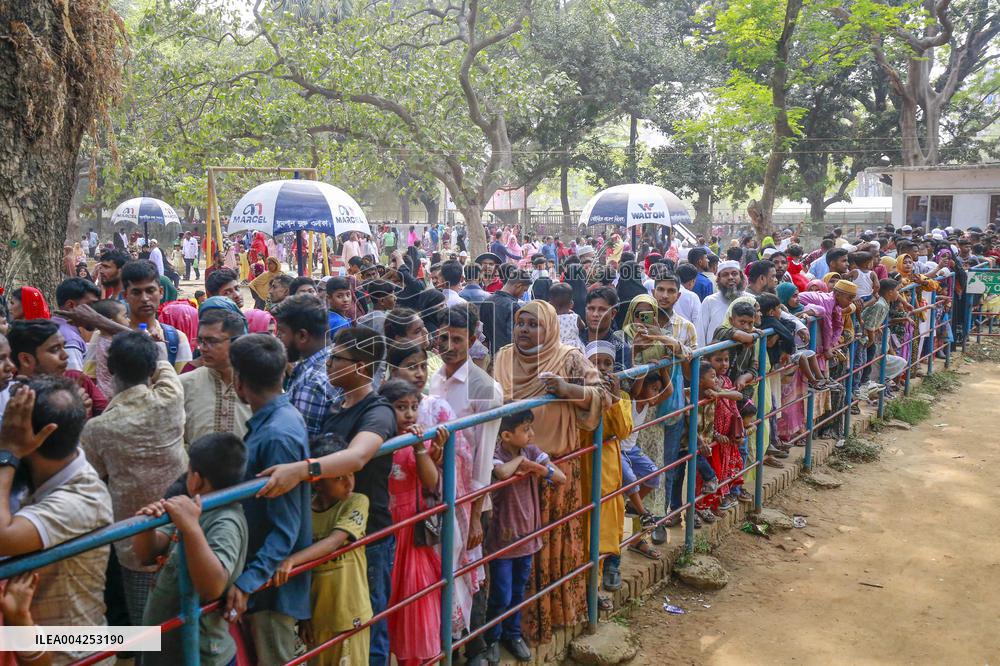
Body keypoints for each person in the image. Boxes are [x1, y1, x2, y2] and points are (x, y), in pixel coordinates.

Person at [256, 326, 398, 666]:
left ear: (361, 366)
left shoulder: (377, 411)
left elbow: (358, 457)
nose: (329, 365)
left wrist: (302, 471)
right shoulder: (338, 403)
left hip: (367, 534)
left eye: (337, 359)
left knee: (369, 624)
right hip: (329, 527)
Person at [493, 300, 607, 646]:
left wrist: (567, 389)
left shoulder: (568, 357)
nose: (524, 330)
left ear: (551, 328)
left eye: (533, 325)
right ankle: (510, 628)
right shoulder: (502, 357)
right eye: (520, 323)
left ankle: (551, 617)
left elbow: (606, 393)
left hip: (554, 468)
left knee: (550, 546)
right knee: (511, 553)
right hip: (510, 474)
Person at [0, 378, 113, 665]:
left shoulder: (82, 499)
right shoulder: (54, 468)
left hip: (73, 654)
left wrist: (8, 451)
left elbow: (2, 535)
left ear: (40, 436)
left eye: (12, 425)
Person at [80, 331, 187, 624]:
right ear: (151, 370)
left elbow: (91, 474)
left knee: (146, 625)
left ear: (110, 369)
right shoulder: (171, 396)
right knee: (181, 616)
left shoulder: (98, 429)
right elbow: (164, 363)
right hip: (182, 528)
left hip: (132, 544)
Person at [223, 334, 312, 666]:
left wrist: (248, 582)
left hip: (271, 588)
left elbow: (285, 527)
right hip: (266, 579)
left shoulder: (277, 435)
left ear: (239, 381)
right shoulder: (280, 419)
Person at [134, 433, 249, 666]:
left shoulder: (225, 521)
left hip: (200, 656)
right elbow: (147, 555)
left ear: (196, 479)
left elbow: (212, 587)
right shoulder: (193, 507)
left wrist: (192, 530)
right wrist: (146, 526)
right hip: (168, 651)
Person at [428, 305, 502, 663]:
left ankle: (476, 647)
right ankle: (449, 645)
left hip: (472, 501)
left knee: (471, 571)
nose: (450, 345)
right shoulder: (433, 379)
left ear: (473, 339)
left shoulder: (484, 387)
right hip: (437, 495)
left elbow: (484, 461)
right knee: (443, 573)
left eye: (458, 338)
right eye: (444, 338)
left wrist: (474, 515)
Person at [270, 433, 372, 666]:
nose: (348, 482)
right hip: (317, 617)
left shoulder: (357, 501)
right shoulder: (305, 512)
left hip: (351, 612)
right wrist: (305, 617)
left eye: (351, 473)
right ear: (318, 479)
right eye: (338, 477)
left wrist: (292, 560)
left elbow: (335, 541)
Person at [485, 409, 565, 664]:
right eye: (526, 429)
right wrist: (520, 463)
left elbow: (560, 477)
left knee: (519, 590)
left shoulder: (532, 451)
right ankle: (492, 637)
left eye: (531, 428)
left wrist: (539, 469)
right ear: (506, 435)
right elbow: (502, 473)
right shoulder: (497, 454)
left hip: (528, 535)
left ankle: (512, 633)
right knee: (501, 594)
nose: (532, 434)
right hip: (503, 537)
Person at [377, 379, 448, 666]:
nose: (409, 414)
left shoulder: (421, 439)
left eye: (413, 407)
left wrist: (420, 447)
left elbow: (431, 482)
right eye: (400, 407)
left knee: (414, 603)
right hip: (385, 528)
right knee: (386, 600)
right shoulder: (375, 438)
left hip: (412, 534)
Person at [180, 308, 253, 445]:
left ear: (236, 342)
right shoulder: (184, 384)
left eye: (211, 341)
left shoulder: (260, 387)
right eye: (200, 341)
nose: (202, 348)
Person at [273, 294, 341, 438]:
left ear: (302, 336)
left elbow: (301, 444)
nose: (278, 339)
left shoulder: (311, 385)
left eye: (282, 333)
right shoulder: (337, 359)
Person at [8, 319, 108, 416]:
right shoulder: (11, 398)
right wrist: (75, 413)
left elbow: (107, 416)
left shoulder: (75, 377)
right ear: (26, 359)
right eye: (54, 349)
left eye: (63, 346)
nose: (65, 355)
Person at [123, 260, 194, 370]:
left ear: (161, 292)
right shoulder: (106, 337)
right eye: (136, 293)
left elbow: (185, 384)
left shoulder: (177, 339)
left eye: (150, 291)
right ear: (125, 296)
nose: (144, 299)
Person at [696, 260, 748, 347]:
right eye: (725, 275)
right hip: (715, 357)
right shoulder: (710, 301)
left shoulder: (751, 299)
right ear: (718, 279)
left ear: (741, 276)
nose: (730, 277)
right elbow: (700, 333)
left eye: (734, 274)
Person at [52, 278, 100, 371]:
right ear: (71, 305)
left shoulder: (54, 326)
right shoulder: (70, 339)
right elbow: (75, 381)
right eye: (91, 305)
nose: (95, 312)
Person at [479, 268, 530, 355]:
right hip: (507, 357)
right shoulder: (513, 306)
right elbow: (513, 337)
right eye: (524, 290)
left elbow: (483, 335)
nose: (522, 295)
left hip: (489, 356)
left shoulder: (487, 301)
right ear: (518, 286)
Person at [578, 287, 630, 370]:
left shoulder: (621, 350)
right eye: (591, 309)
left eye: (602, 310)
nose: (595, 314)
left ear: (613, 314)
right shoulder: (575, 340)